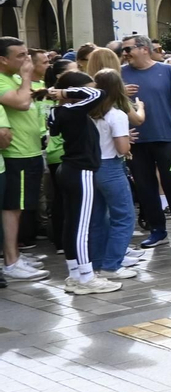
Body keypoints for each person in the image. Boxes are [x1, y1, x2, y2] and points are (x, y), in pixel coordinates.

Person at [46, 72, 120, 294]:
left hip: (70, 169)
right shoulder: (72, 109)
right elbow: (98, 93)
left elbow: (93, 92)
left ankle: (75, 274)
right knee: (81, 227)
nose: (91, 88)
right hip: (81, 171)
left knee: (72, 223)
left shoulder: (61, 111)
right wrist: (64, 92)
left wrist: (63, 93)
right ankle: (87, 277)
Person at [119, 35, 171, 248]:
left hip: (167, 137)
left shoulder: (167, 71)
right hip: (137, 141)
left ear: (143, 49)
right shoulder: (120, 74)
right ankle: (157, 229)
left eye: (128, 49)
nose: (125, 53)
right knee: (145, 188)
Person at [0, 37, 47, 283]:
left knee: (20, 208)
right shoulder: (1, 79)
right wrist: (28, 76)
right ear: (3, 59)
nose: (26, 60)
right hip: (15, 154)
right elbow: (20, 102)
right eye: (20, 56)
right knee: (12, 209)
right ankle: (11, 261)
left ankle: (15, 255)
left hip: (30, 152)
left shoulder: (16, 77)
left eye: (27, 55)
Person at [87, 68, 139, 281]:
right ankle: (112, 265)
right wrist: (127, 142)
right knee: (124, 217)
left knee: (97, 218)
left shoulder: (89, 112)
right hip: (111, 168)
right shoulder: (116, 114)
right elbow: (121, 148)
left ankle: (97, 263)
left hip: (92, 168)